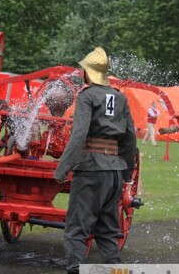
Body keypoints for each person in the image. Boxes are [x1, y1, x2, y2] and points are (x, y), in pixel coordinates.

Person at [53, 47, 137, 273]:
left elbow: (79, 134)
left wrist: (62, 170)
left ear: (88, 73)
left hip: (90, 171)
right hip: (113, 174)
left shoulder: (87, 96)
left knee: (76, 230)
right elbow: (130, 139)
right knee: (109, 231)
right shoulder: (120, 98)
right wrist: (127, 175)